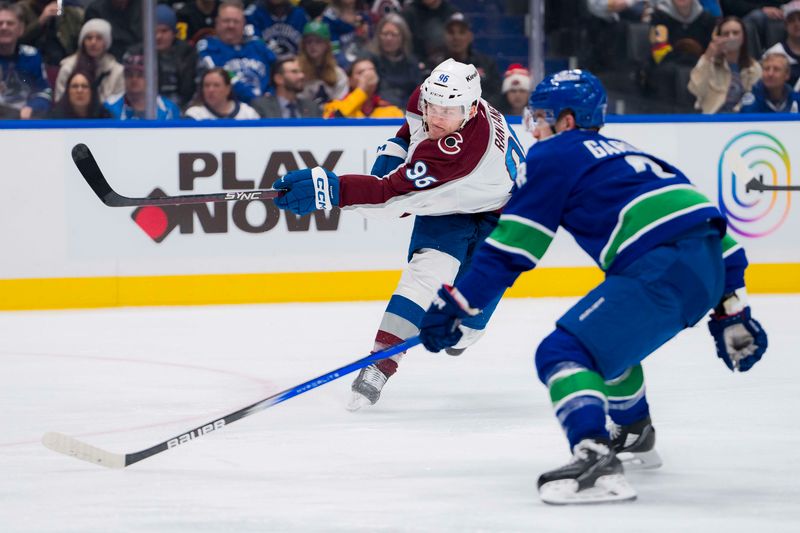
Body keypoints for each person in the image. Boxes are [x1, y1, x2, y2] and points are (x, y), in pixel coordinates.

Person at [416, 69, 768, 505]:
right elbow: (722, 240)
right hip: (706, 268)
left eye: (542, 117)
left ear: (567, 120)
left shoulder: (553, 156)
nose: (535, 127)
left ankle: (595, 455)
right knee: (606, 347)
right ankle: (635, 432)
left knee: (561, 353)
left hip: (658, 265)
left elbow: (511, 251)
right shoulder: (630, 153)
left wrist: (458, 305)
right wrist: (733, 312)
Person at [271, 58, 526, 409]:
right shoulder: (429, 99)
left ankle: (463, 330)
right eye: (432, 105)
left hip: (500, 217)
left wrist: (327, 190)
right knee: (424, 277)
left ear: (469, 110)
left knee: (463, 335)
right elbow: (411, 133)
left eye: (448, 111)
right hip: (451, 204)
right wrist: (394, 151)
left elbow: (391, 198)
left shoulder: (457, 154)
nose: (436, 118)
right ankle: (379, 364)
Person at [197, 0, 277, 104]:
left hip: (265, 107)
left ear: (244, 23)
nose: (231, 25)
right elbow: (221, 75)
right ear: (217, 22)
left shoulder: (258, 45)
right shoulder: (208, 46)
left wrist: (271, 93)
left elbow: (278, 72)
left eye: (236, 21)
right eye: (226, 21)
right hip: (228, 108)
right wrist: (254, 99)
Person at [688, 16, 762, 113]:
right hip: (712, 119)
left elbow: (755, 99)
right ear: (719, 37)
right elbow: (695, 90)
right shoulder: (709, 62)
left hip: (742, 120)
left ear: (743, 37)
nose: (731, 37)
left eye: (735, 33)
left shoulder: (754, 67)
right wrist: (708, 56)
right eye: (726, 34)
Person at [0, 2, 52, 119]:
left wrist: (33, 106)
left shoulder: (32, 55)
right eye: (0, 23)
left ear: (21, 29)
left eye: (10, 23)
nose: (4, 27)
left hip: (24, 123)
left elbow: (45, 91)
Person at [55, 18, 124, 103]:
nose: (93, 42)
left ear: (106, 43)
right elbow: (60, 102)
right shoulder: (68, 68)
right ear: (83, 42)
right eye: (89, 38)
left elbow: (119, 106)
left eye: (99, 38)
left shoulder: (117, 71)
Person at [104, 47, 182, 120]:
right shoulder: (110, 107)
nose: (134, 79)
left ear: (152, 78)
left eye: (140, 75)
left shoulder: (169, 109)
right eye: (129, 75)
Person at [365, 12, 422, 108]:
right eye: (385, 34)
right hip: (378, 111)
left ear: (403, 37)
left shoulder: (411, 63)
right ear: (378, 35)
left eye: (394, 34)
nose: (388, 38)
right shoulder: (370, 60)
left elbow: (418, 94)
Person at [18, 0, 84, 81]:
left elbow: (81, 44)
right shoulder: (22, 9)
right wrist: (40, 21)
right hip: (32, 65)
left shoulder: (72, 12)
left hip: (64, 65)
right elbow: (17, 40)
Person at [322, 57, 404, 118]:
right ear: (350, 80)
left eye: (371, 70)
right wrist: (361, 89)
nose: (368, 75)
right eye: (361, 72)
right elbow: (331, 121)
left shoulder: (392, 110)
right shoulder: (334, 105)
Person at [297, 20, 348, 106]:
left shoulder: (338, 73)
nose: (313, 46)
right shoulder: (297, 72)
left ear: (326, 45)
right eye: (309, 42)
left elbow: (341, 104)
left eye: (318, 41)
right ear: (303, 45)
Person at [155, 4, 197, 109]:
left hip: (183, 112)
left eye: (164, 31)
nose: (158, 36)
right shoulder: (137, 55)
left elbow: (196, 90)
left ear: (174, 33)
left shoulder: (188, 54)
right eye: (154, 31)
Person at [251, 55, 321, 117]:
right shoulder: (261, 107)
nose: (301, 76)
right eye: (294, 72)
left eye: (301, 72)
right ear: (279, 79)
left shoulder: (311, 107)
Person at [185, 67, 261, 119]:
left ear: (228, 89)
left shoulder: (247, 113)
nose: (210, 90)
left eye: (216, 85)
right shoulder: (195, 115)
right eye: (206, 85)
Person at [245, 0, 309, 58]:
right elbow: (252, 44)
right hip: (266, 65)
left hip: (295, 65)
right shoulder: (253, 15)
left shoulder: (300, 15)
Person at [763, 0, 800, 88]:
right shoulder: (773, 53)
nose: (797, 24)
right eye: (791, 20)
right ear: (785, 25)